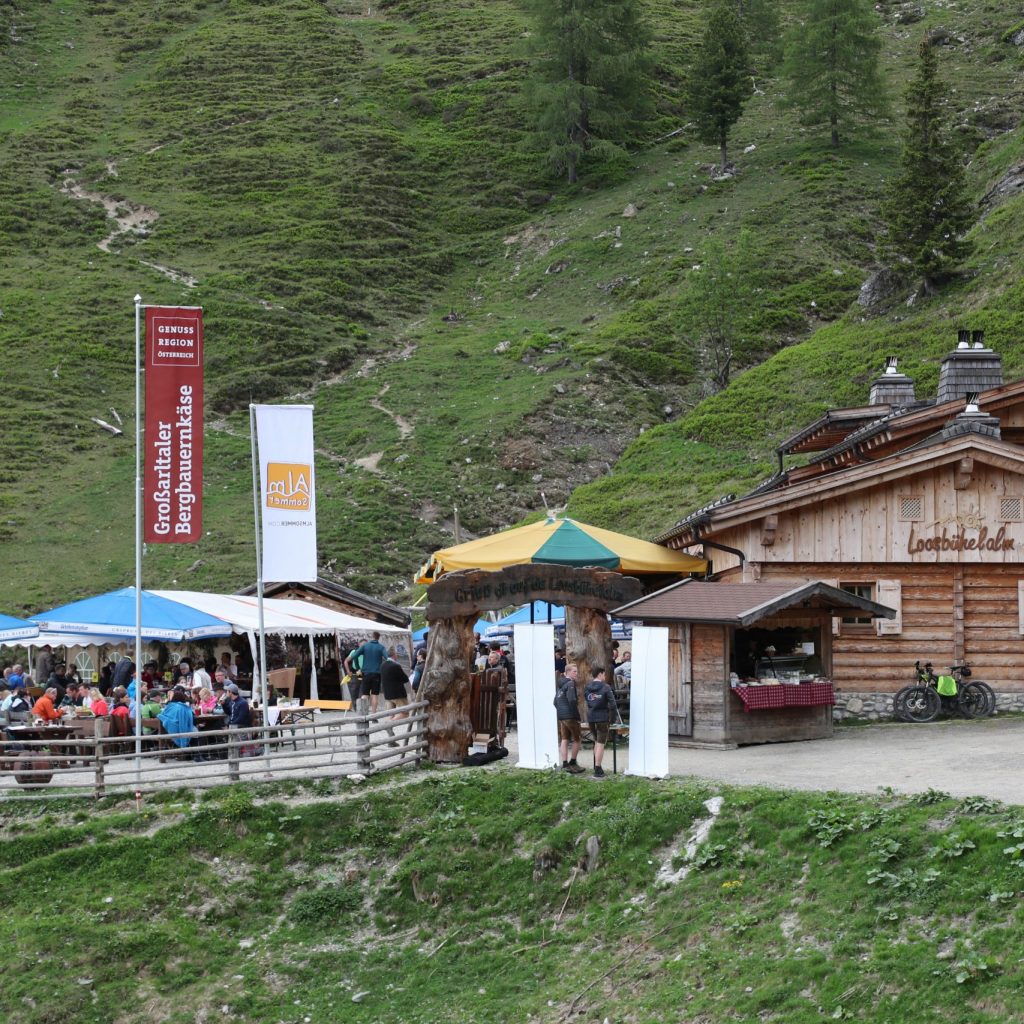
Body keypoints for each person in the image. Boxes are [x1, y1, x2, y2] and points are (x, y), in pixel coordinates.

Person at [584, 667, 619, 779]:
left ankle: (596, 766)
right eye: (604, 674)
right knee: (600, 743)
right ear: (600, 674)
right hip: (602, 718)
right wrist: (612, 719)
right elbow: (613, 705)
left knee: (596, 741)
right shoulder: (606, 687)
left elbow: (587, 700)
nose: (604, 676)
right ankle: (598, 768)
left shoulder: (587, 687)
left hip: (591, 717)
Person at [554, 663, 585, 773]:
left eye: (577, 671)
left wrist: (561, 712)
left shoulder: (561, 685)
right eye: (574, 671)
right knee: (577, 739)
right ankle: (573, 762)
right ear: (567, 672)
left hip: (561, 716)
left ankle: (565, 764)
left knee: (564, 739)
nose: (576, 673)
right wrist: (577, 716)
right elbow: (572, 700)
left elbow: (555, 702)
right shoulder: (570, 683)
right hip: (570, 716)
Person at [345, 632, 388, 711]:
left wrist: (358, 667)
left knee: (364, 694)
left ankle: (363, 713)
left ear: (371, 637)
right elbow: (388, 658)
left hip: (366, 673)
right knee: (374, 695)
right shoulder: (381, 647)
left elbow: (354, 656)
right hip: (377, 674)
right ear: (378, 638)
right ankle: (373, 715)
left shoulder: (365, 646)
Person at [158, 687, 195, 751]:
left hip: (169, 730)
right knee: (196, 731)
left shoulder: (169, 706)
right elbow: (190, 716)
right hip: (180, 730)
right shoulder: (184, 707)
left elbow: (162, 714)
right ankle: (193, 754)